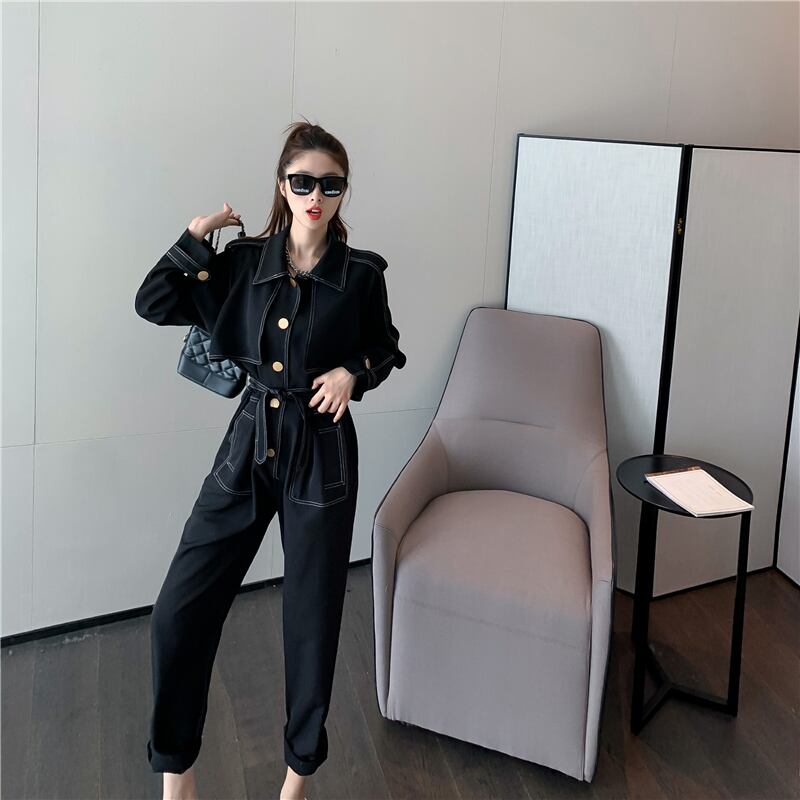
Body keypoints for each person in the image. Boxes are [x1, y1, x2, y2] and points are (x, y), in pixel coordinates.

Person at [134, 120, 407, 800]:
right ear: (282, 186)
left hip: (322, 455)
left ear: (344, 192)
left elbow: (386, 347)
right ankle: (177, 773)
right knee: (179, 611)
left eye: (330, 185)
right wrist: (195, 236)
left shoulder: (362, 275)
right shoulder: (241, 263)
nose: (316, 196)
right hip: (249, 443)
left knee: (311, 623)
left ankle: (296, 780)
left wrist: (353, 373)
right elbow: (154, 302)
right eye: (302, 182)